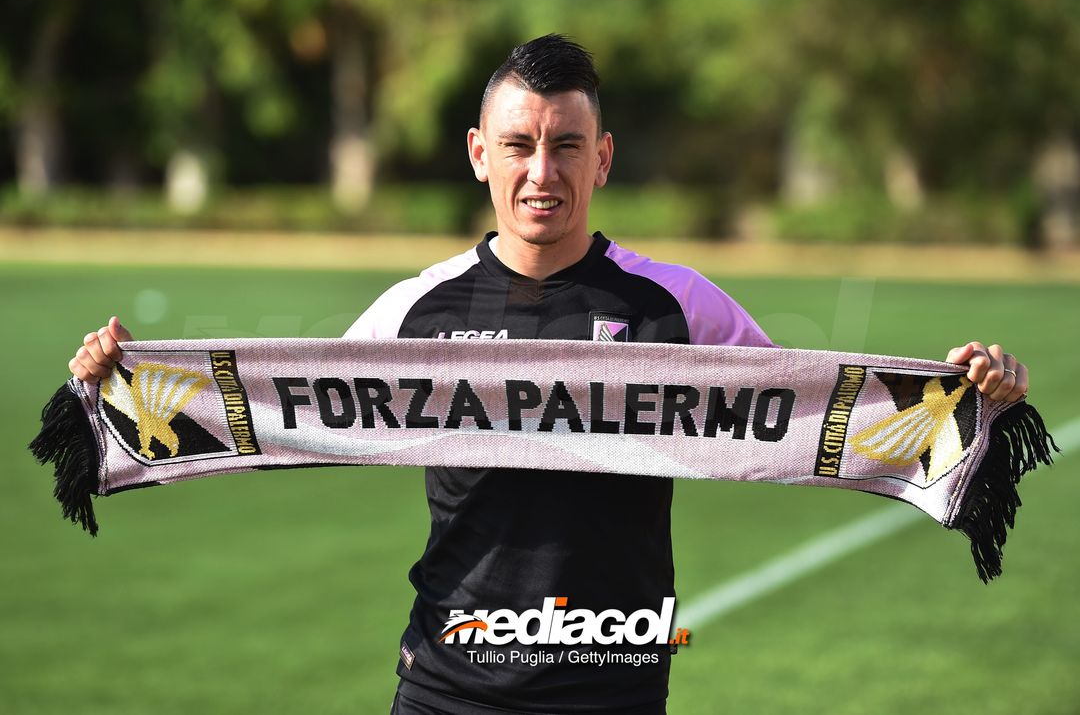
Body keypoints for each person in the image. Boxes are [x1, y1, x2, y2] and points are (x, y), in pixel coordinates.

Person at [69, 35, 1031, 714]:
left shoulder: (678, 307)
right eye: (521, 145)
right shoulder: (417, 310)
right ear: (481, 156)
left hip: (611, 681)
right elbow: (281, 407)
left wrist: (967, 406)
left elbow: (813, 416)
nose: (544, 170)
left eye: (567, 144)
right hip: (447, 683)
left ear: (601, 157)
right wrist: (125, 388)